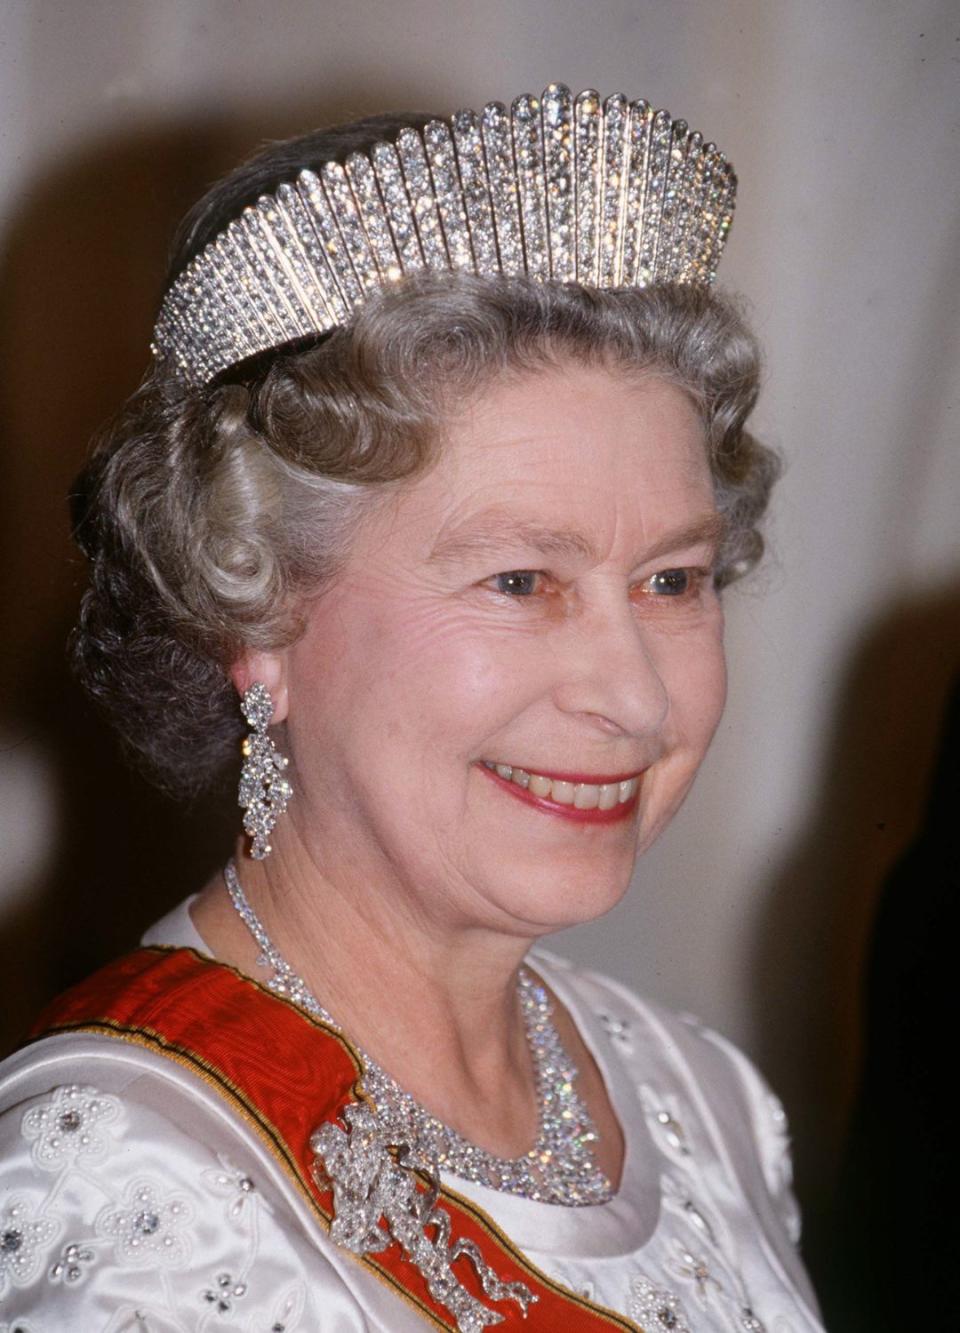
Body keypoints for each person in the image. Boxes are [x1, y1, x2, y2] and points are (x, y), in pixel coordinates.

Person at [0, 85, 824, 1330]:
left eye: (672, 579)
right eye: (519, 580)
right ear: (257, 611)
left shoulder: (694, 1094)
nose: (635, 695)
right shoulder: (122, 1190)